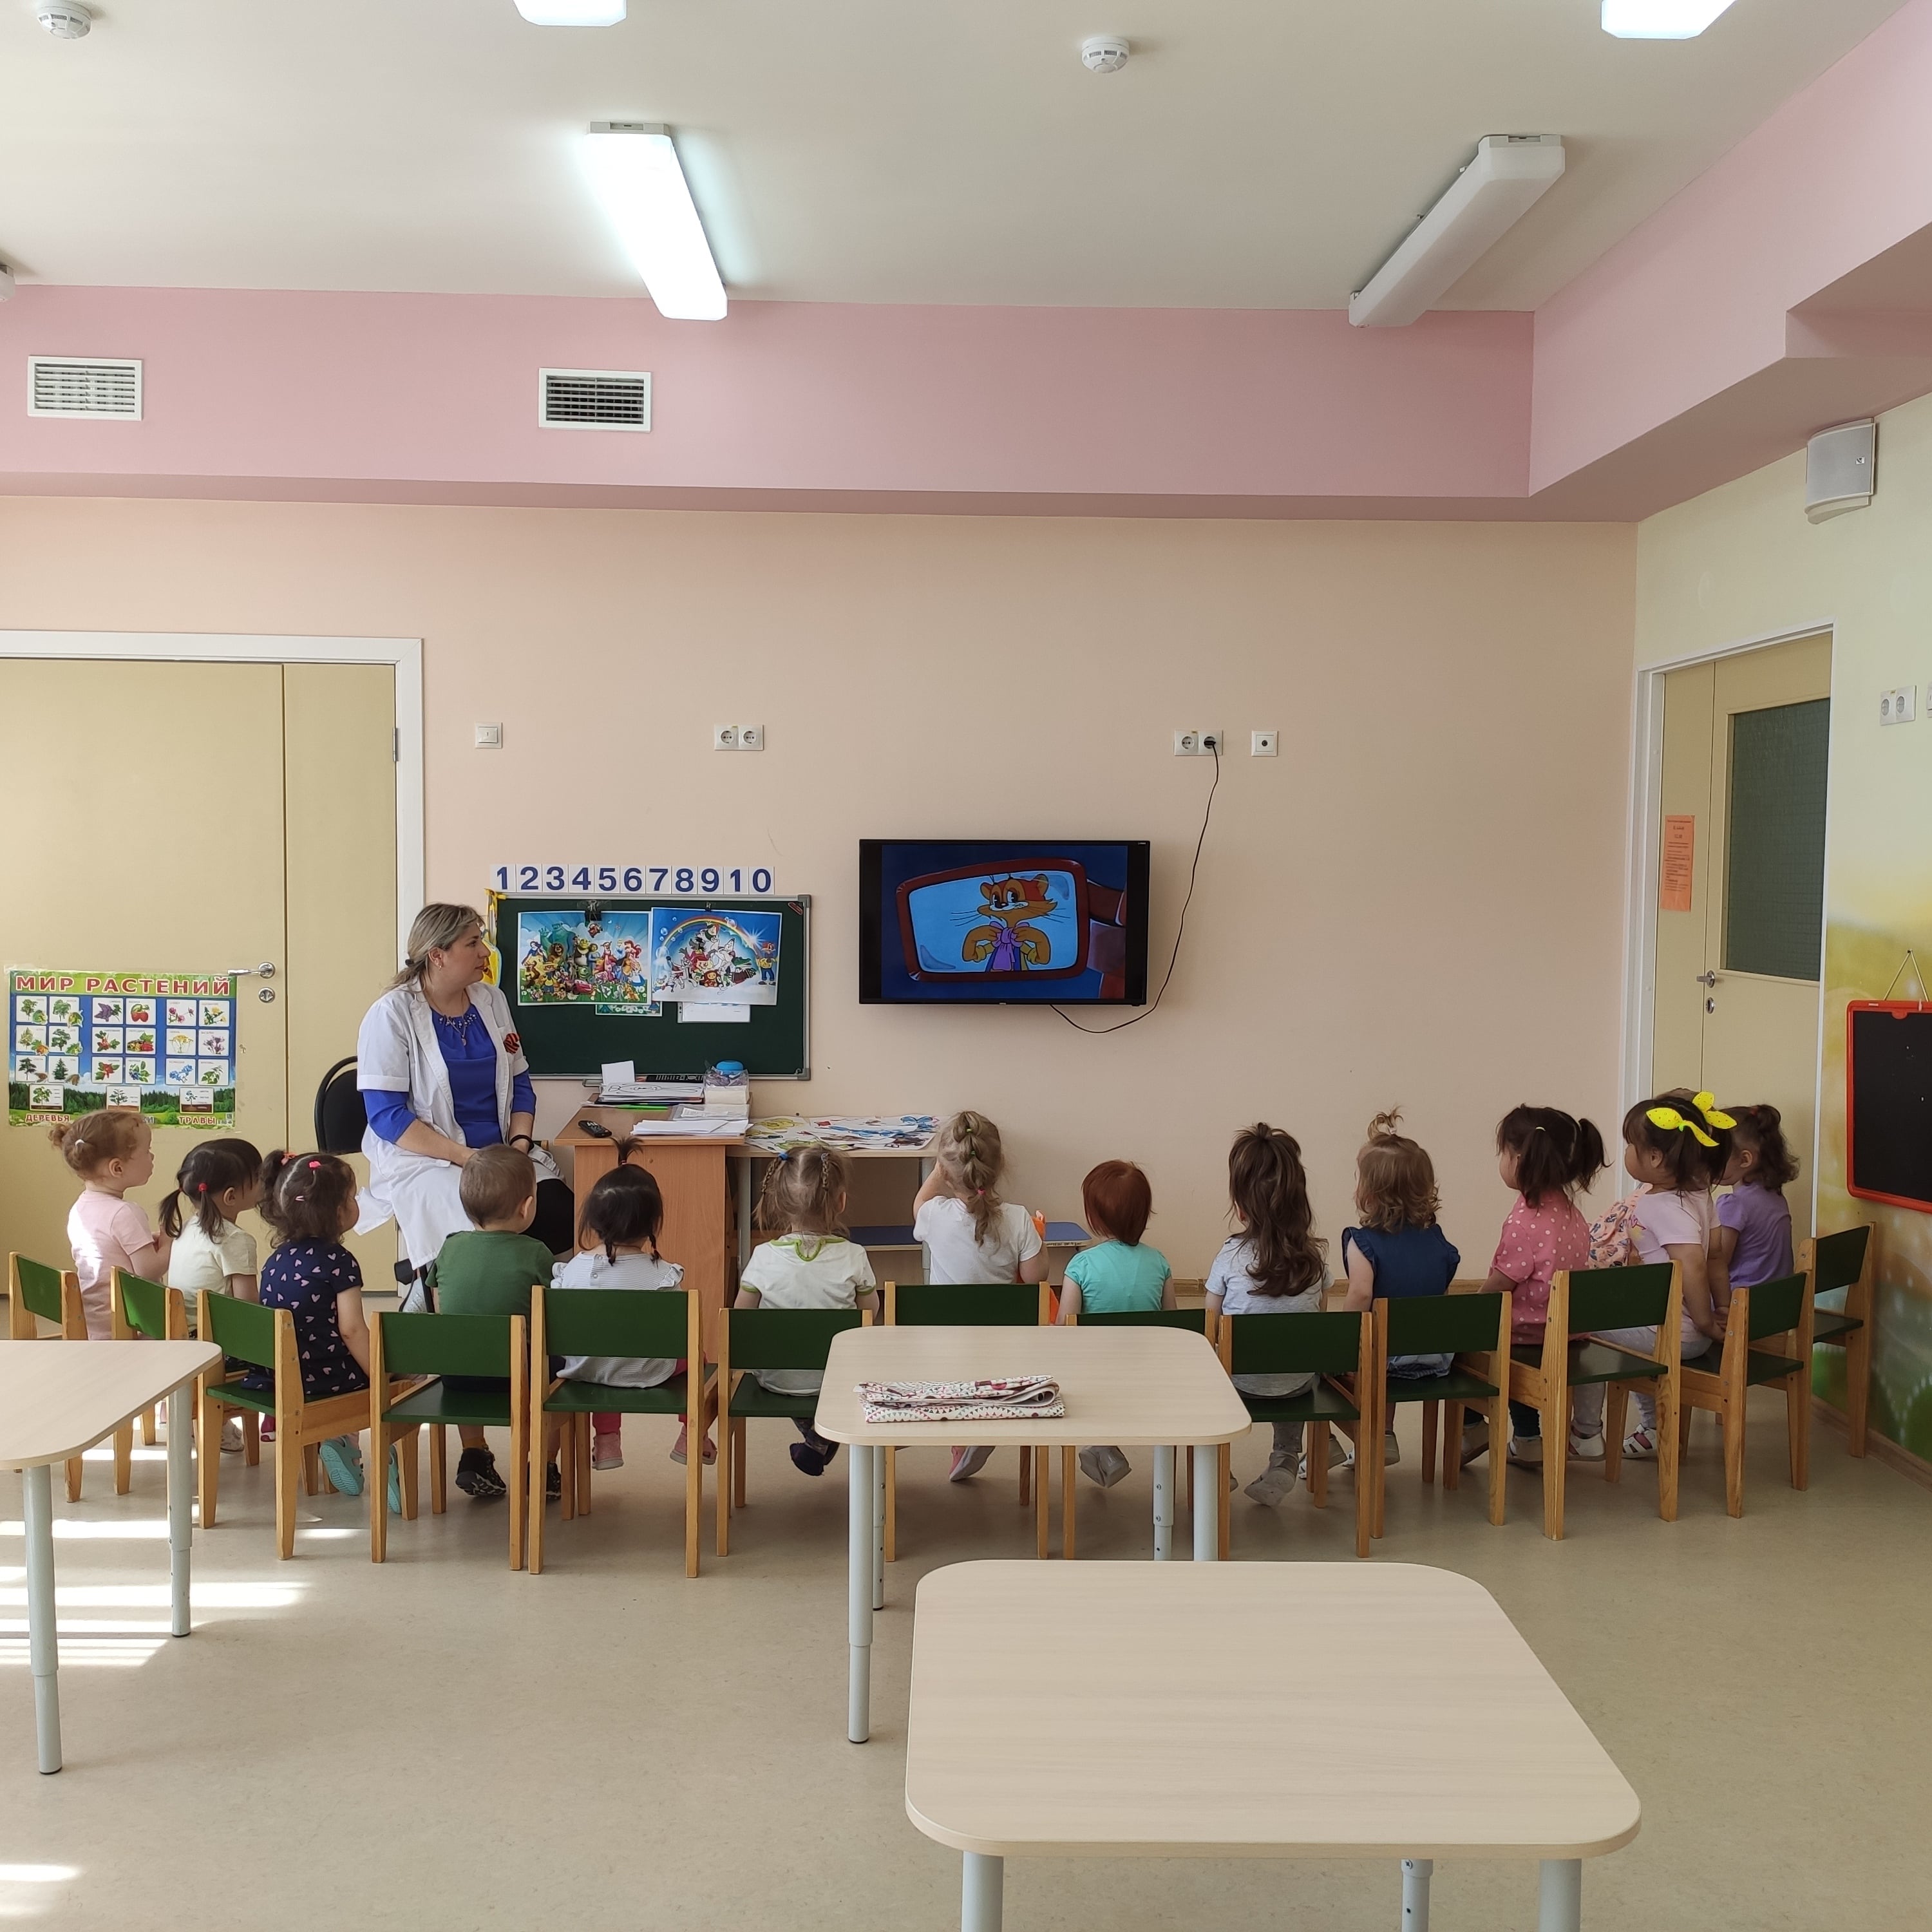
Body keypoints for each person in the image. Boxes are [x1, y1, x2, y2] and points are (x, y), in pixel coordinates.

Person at [355, 903, 574, 1280]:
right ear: (437, 955)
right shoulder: (391, 1013)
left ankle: (525, 1309)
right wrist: (467, 1157)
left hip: (500, 1152)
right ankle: (458, 1298)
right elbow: (386, 1116)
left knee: (558, 1212)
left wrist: (519, 1147)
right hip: (432, 1160)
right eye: (473, 943)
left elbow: (520, 1083)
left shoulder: (492, 1000)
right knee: (484, 1235)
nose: (485, 953)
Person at [1571, 1093, 1732, 1461]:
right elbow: (1716, 1257)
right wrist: (1724, 1307)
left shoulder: (1660, 1205)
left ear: (1655, 1157)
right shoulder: (1698, 1196)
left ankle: (1586, 1433)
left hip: (1676, 1333)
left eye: (1631, 1145)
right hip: (1683, 1329)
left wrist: (1706, 1323)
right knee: (1627, 1326)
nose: (1627, 1151)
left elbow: (1693, 1264)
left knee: (1581, 1328)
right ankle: (1651, 1429)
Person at [247, 1150, 395, 1510]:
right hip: (326, 1380)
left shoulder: (276, 1260)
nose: (357, 1203)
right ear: (337, 1212)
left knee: (342, 1361)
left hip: (284, 1375)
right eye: (353, 1197)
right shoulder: (339, 1262)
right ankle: (390, 1466)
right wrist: (384, 1373)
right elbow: (352, 1331)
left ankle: (345, 1443)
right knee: (398, 1385)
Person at [911, 1110, 1046, 1481]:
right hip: (1003, 1350)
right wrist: (1039, 1239)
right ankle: (987, 1416)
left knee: (955, 1360)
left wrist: (939, 1173)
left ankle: (960, 1429)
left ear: (944, 1170)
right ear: (999, 1166)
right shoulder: (1018, 1219)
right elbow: (1036, 1278)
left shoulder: (933, 1215)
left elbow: (918, 1207)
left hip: (942, 1350)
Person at [422, 1143, 562, 1502]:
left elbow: (439, 1308)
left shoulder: (450, 1247)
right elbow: (556, 1315)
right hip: (521, 1376)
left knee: (463, 1349)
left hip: (459, 1377)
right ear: (527, 1207)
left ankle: (474, 1451)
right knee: (560, 1374)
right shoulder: (536, 1253)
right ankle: (542, 1465)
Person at [1203, 1124, 1329, 1509]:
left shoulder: (1229, 1256)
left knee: (1208, 1367)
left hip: (1239, 1384)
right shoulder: (1315, 1260)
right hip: (1298, 1383)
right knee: (1297, 1361)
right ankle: (1287, 1455)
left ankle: (1216, 1464)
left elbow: (1210, 1325)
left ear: (1241, 1205)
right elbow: (1320, 1321)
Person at [734, 1146, 876, 1477]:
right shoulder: (854, 1256)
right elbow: (870, 1313)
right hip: (837, 1381)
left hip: (776, 1378)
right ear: (841, 1201)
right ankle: (820, 1438)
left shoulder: (763, 1256)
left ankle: (816, 1436)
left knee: (788, 1364)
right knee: (851, 1357)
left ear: (777, 1202)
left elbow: (741, 1318)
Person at [1477, 1104, 1605, 1468]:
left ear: (1519, 1159)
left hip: (1530, 1332)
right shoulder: (1572, 1213)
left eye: (1503, 1153)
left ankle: (1513, 1434)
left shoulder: (1524, 1221)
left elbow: (1502, 1282)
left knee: (1467, 1344)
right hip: (1568, 1328)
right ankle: (1538, 1438)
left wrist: (1474, 1307)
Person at [553, 1160, 694, 1471]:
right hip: (646, 1371)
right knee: (698, 1356)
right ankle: (691, 1434)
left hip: (584, 1369)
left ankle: (607, 1441)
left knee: (605, 1354)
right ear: (653, 1223)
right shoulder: (663, 1275)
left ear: (594, 1219)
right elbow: (679, 1332)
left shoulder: (572, 1270)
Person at [1340, 1110, 1461, 1470]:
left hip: (1386, 1361)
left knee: (1347, 1359)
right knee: (1389, 1338)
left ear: (1370, 1193)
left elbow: (1361, 1295)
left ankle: (1370, 1437)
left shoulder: (1362, 1242)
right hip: (1436, 1358)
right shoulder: (1436, 1239)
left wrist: (1340, 1342)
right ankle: (1385, 1435)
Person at [1056, 1159, 1174, 1490]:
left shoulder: (1081, 1265)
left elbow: (1064, 1331)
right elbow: (1173, 1326)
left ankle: (1104, 1445)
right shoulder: (1159, 1262)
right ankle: (1103, 1448)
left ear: (1094, 1218)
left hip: (1095, 1381)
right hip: (1147, 1378)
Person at [160, 1137, 262, 1455]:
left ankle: (206, 1417)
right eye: (258, 1177)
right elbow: (248, 1310)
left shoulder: (188, 1227)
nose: (264, 1183)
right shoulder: (235, 1240)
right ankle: (223, 1416)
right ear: (231, 1196)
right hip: (212, 1350)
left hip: (181, 1337)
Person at [52, 1108, 170, 1337]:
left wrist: (146, 1242)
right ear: (117, 1168)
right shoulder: (125, 1213)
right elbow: (149, 1271)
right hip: (128, 1328)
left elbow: (110, 1250)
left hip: (93, 1323)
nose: (152, 1157)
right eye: (147, 1151)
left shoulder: (80, 1208)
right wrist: (169, 1242)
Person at [1712, 1102, 1797, 1305]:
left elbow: (1717, 1263)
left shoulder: (1734, 1204)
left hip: (1741, 1307)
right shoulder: (1776, 1197)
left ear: (1745, 1160)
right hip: (1777, 1304)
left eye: (1714, 1155)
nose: (1706, 1163)